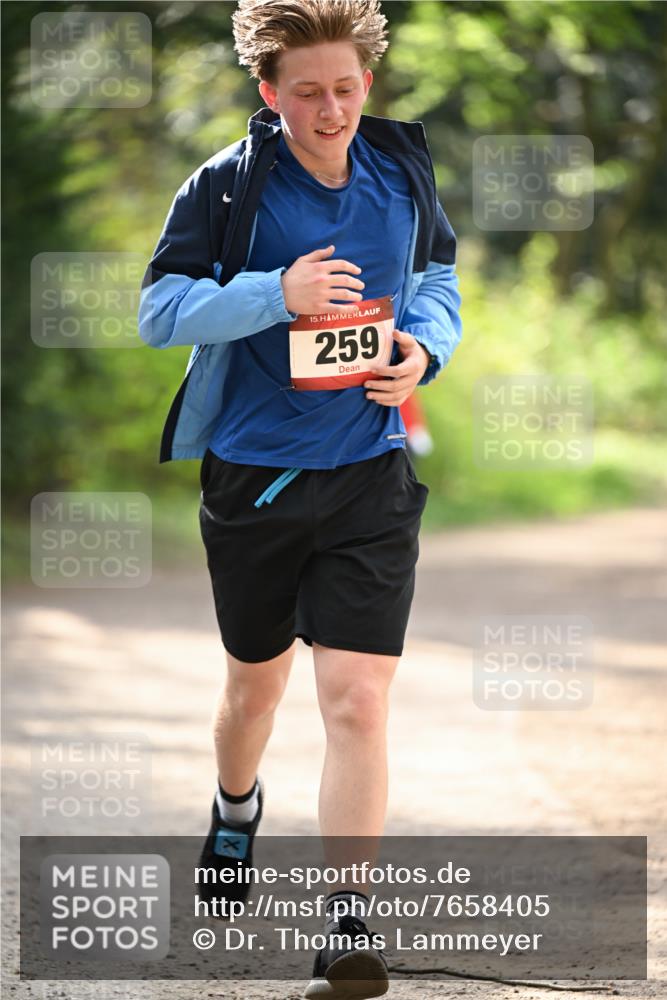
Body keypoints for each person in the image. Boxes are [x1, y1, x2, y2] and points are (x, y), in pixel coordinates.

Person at [138, 1, 462, 996]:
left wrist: (423, 349)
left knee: (358, 699)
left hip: (370, 469)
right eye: (308, 92)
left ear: (368, 83)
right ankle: (236, 809)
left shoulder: (400, 172)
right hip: (255, 477)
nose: (330, 110)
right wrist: (275, 294)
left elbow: (437, 275)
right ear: (270, 93)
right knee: (254, 690)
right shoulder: (228, 189)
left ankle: (346, 922)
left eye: (346, 89)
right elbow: (160, 311)